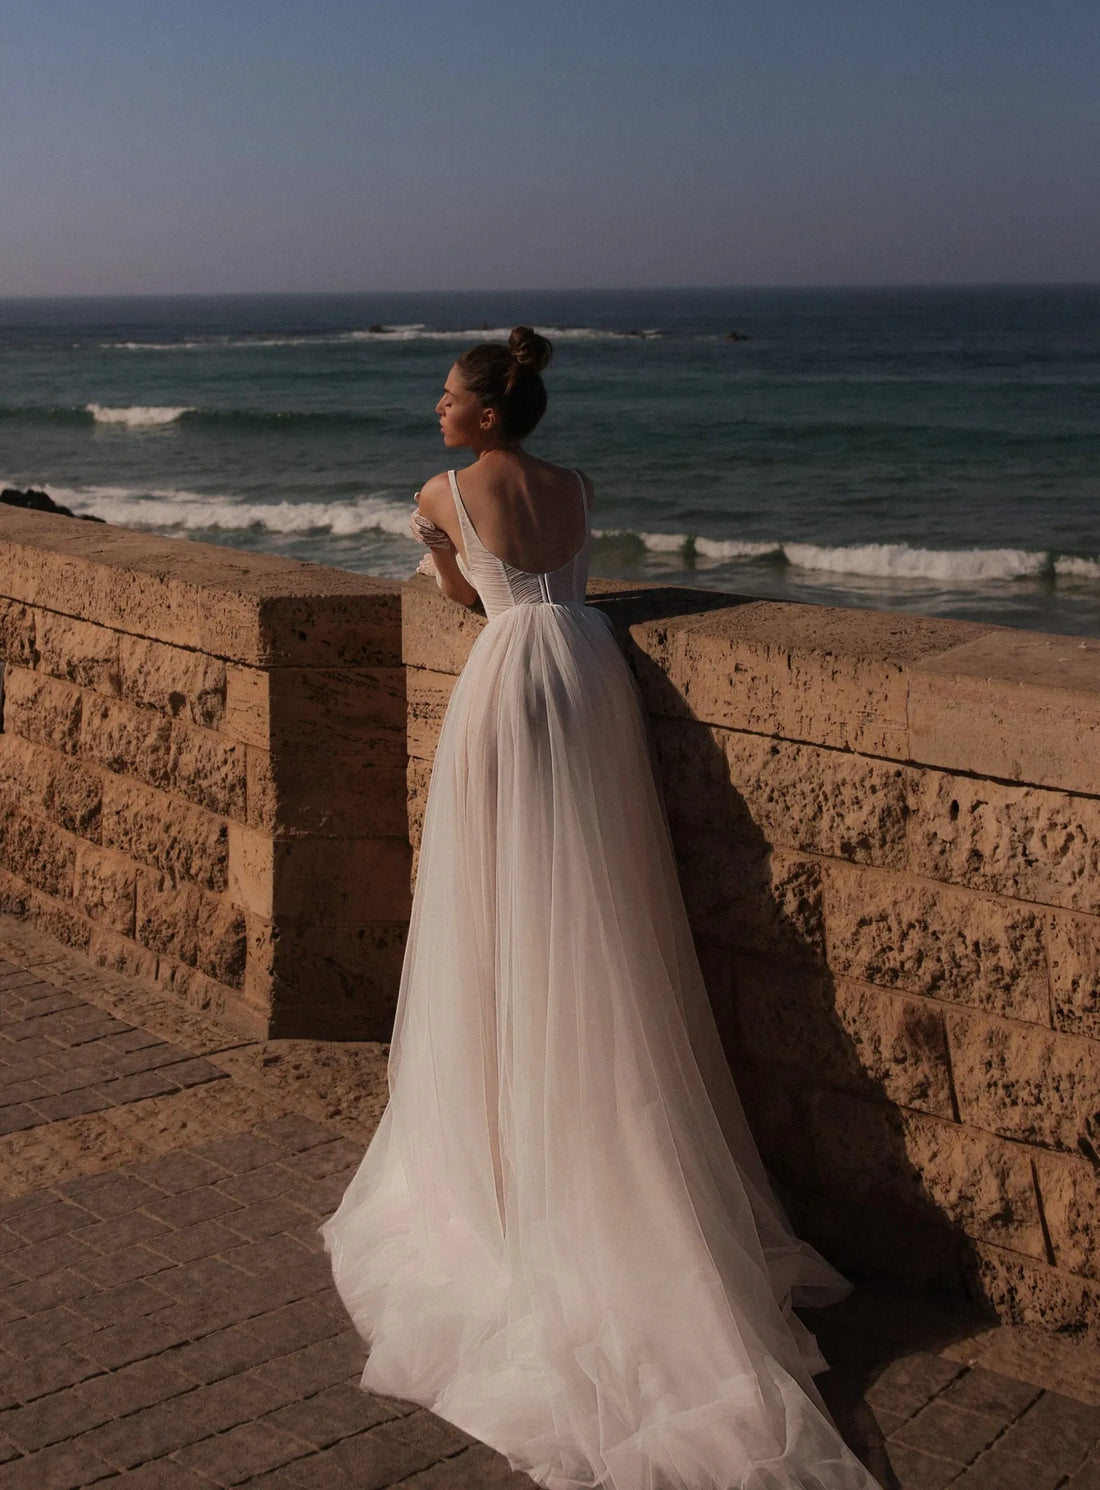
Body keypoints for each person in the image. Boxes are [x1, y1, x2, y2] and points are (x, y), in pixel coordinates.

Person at [321, 327, 881, 1490]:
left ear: (484, 414)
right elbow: (554, 579)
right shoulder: (574, 485)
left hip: (505, 683)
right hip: (587, 675)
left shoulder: (441, 491)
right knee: (600, 900)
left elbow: (460, 594)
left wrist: (435, 547)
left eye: (446, 394)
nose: (435, 407)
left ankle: (516, 1158)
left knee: (503, 902)